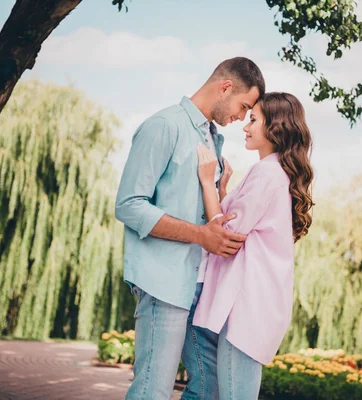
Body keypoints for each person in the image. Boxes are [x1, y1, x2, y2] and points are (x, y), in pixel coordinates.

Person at [114, 57, 266, 400]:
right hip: (164, 284)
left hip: (202, 287)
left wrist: (221, 192)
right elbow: (128, 205)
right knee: (153, 389)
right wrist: (201, 236)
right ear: (225, 87)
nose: (242, 118)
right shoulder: (164, 126)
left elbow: (206, 214)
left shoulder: (213, 141)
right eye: (243, 107)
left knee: (210, 388)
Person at [191, 92, 314, 399]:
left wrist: (207, 184)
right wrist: (221, 190)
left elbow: (225, 235)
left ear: (276, 127)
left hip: (246, 309)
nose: (245, 126)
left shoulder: (268, 173)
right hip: (255, 307)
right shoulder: (273, 173)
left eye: (254, 119)